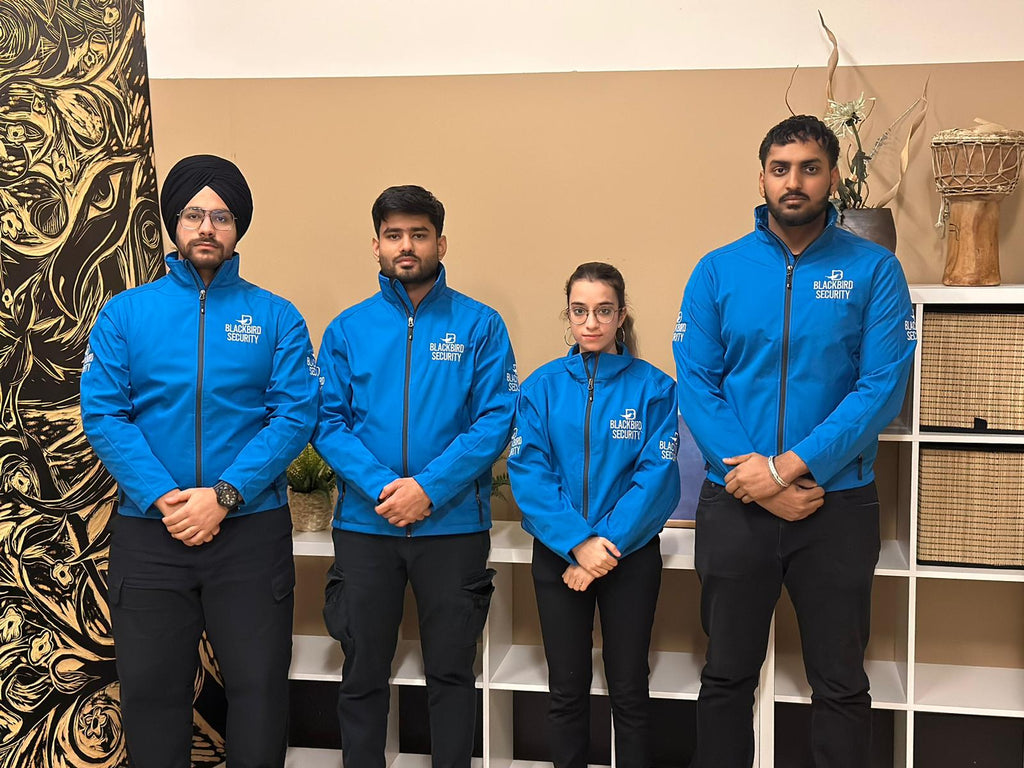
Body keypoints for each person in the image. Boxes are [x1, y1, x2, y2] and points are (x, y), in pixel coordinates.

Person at [673, 115, 917, 767]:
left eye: (810, 167)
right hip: (736, 503)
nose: (795, 181)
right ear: (762, 177)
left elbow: (881, 388)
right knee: (725, 676)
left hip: (835, 507)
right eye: (781, 168)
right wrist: (749, 474)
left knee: (839, 683)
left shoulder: (877, 271)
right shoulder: (717, 271)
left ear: (832, 176)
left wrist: (785, 469)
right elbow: (696, 382)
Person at [80, 155, 320, 767]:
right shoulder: (125, 314)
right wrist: (166, 498)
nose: (206, 227)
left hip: (248, 532)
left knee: (259, 693)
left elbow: (293, 416)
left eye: (220, 216)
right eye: (193, 215)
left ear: (238, 227)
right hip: (149, 533)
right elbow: (105, 415)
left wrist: (224, 495)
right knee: (153, 695)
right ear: (173, 224)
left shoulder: (276, 316)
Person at [314, 184, 518, 768]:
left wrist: (428, 489)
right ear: (376, 245)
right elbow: (327, 422)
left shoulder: (481, 326)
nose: (407, 246)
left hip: (451, 528)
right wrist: (385, 488)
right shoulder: (347, 330)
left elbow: (495, 421)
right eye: (394, 235)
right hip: (366, 526)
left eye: (419, 234)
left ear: (441, 242)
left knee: (452, 674)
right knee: (362, 674)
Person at [508, 262, 681, 768]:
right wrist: (577, 544)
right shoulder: (540, 388)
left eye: (604, 311)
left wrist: (603, 547)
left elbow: (656, 478)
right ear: (568, 315)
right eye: (580, 311)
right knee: (566, 688)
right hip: (559, 556)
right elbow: (530, 474)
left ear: (621, 315)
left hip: (629, 557)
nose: (591, 322)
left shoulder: (655, 388)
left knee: (629, 688)